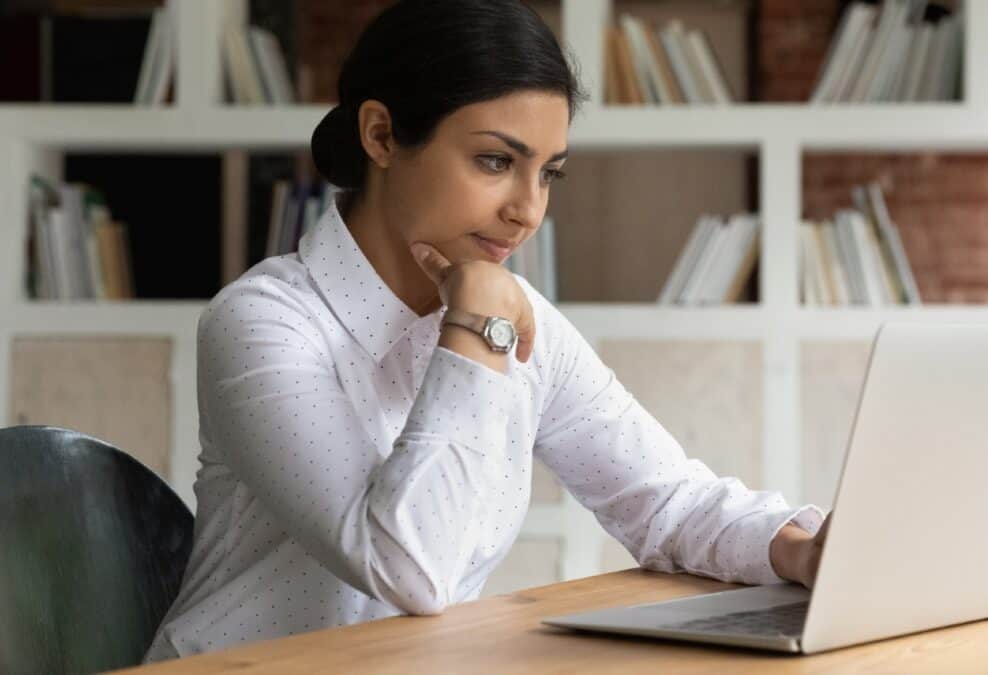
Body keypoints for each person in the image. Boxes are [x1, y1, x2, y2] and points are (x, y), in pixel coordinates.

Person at [143, 0, 828, 662]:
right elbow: (407, 567)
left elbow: (668, 502)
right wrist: (474, 329)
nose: (528, 211)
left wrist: (801, 547)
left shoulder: (516, 314)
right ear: (381, 135)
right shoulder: (263, 322)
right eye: (496, 162)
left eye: (548, 173)